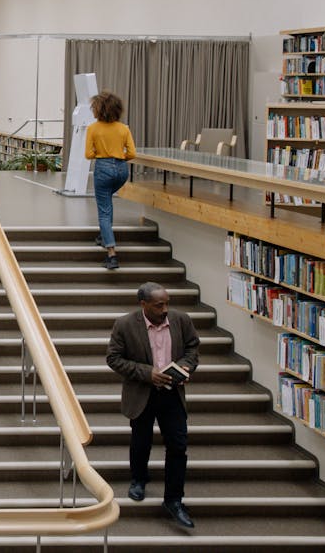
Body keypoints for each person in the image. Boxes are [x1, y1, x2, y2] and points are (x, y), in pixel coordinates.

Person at [106, 282, 200, 529]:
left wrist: (186, 367)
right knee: (141, 440)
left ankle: (174, 500)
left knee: (178, 446)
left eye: (167, 303)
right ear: (143, 305)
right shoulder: (125, 325)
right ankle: (138, 479)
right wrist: (148, 373)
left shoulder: (180, 320)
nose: (165, 309)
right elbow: (113, 358)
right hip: (142, 393)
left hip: (172, 394)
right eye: (159, 305)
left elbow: (192, 348)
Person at [84, 91, 136, 270]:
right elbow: (132, 153)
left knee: (104, 210)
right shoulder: (123, 128)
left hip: (103, 169)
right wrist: (118, 158)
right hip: (121, 170)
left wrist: (103, 155)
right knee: (107, 203)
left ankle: (112, 255)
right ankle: (103, 235)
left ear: (97, 109)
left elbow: (88, 154)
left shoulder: (93, 128)